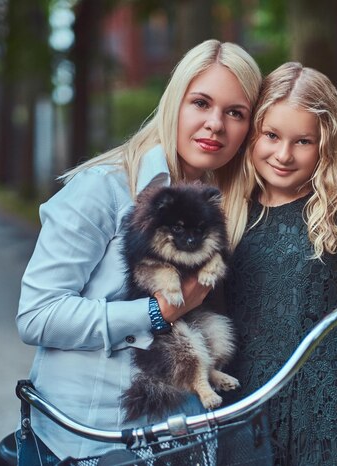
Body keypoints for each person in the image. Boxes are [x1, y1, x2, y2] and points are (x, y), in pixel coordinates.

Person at [15, 39, 262, 464]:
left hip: (183, 434)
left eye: (235, 112)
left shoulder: (224, 207)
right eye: (200, 102)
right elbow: (36, 316)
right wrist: (154, 313)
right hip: (91, 440)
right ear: (173, 103)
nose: (215, 124)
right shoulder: (104, 188)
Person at [223, 62, 337, 465]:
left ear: (328, 145)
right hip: (243, 412)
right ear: (253, 133)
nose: (283, 154)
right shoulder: (227, 211)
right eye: (271, 135)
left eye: (303, 141)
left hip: (327, 418)